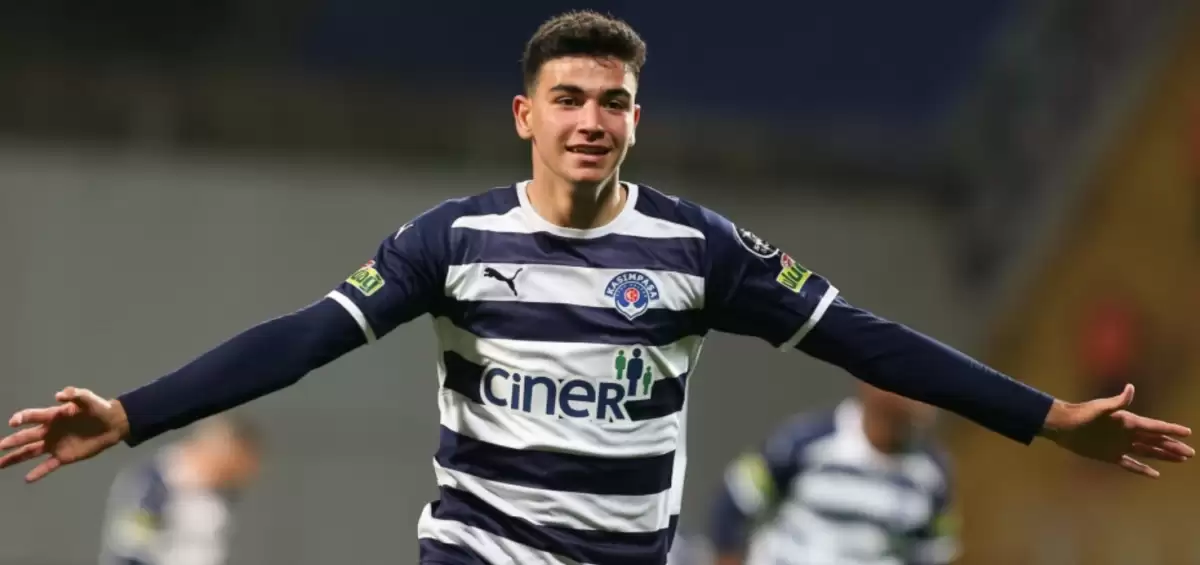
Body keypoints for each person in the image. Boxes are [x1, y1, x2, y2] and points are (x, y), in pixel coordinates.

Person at [0, 10, 1193, 565]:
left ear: (636, 118)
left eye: (612, 101)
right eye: (568, 99)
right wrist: (134, 412)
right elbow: (303, 337)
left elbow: (867, 341)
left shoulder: (700, 249)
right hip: (479, 549)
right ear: (526, 115)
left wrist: (1043, 418)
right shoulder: (453, 239)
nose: (590, 120)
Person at [710, 384, 957, 565]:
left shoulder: (934, 474)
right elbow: (734, 499)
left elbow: (933, 551)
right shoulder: (804, 439)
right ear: (872, 385)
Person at [98, 415, 262, 565]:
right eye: (238, 463)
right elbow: (130, 548)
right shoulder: (151, 484)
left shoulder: (220, 494)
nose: (241, 474)